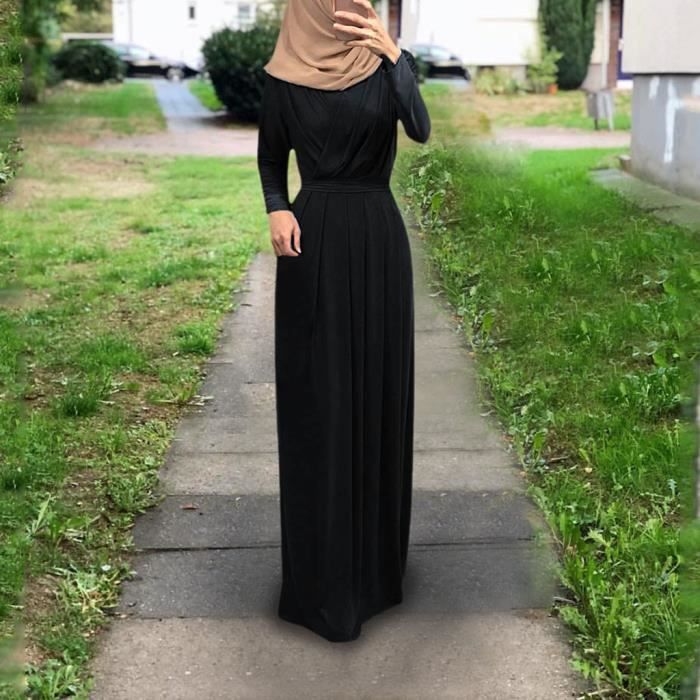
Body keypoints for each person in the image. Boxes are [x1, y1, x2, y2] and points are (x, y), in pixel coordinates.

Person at [256, 0, 431, 643]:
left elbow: (420, 128)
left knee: (376, 395)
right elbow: (271, 158)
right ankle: (321, 581)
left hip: (379, 240)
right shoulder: (282, 76)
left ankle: (376, 573)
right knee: (320, 401)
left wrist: (393, 54)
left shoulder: (387, 64)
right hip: (314, 244)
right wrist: (276, 206)